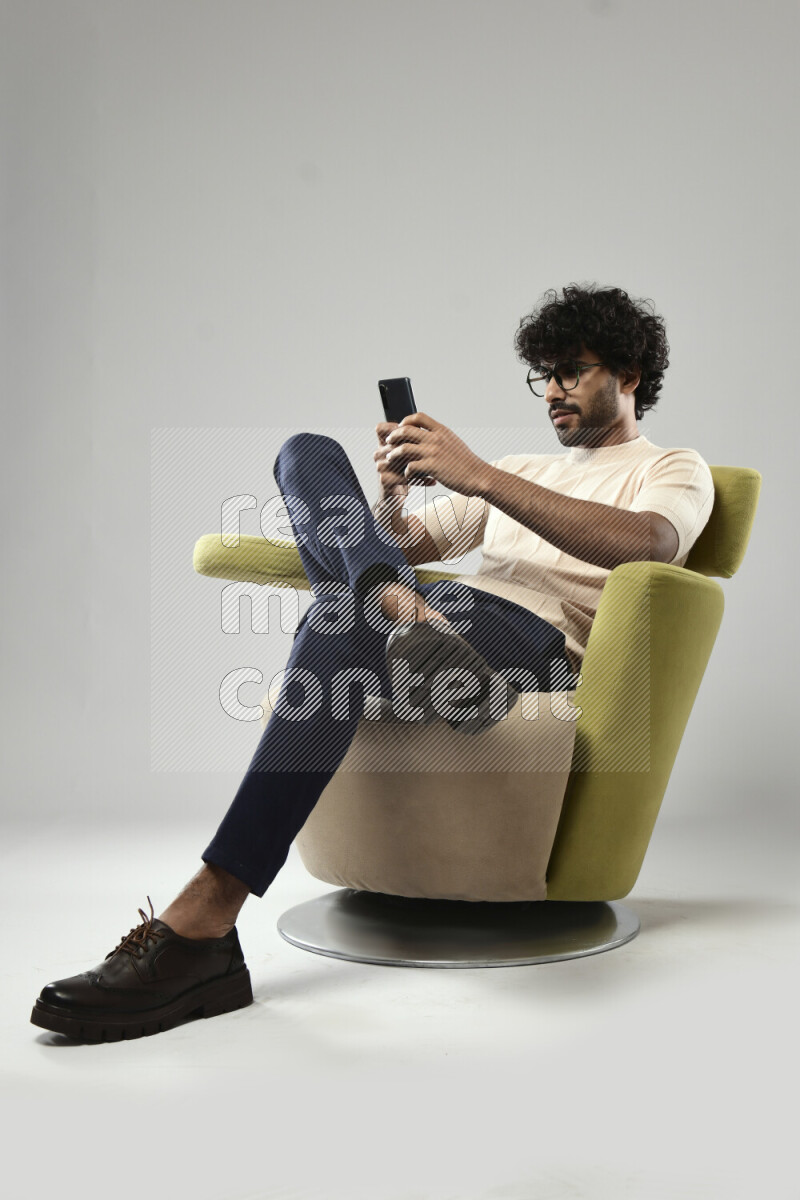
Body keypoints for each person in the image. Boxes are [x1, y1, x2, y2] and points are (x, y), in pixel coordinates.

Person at [30, 283, 715, 1042]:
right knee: (307, 457)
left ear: (628, 374)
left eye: (571, 372)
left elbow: (650, 543)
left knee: (345, 604)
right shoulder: (526, 465)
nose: (552, 391)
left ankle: (202, 924)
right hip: (439, 624)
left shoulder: (672, 467)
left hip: (534, 646)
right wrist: (389, 500)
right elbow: (406, 544)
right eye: (543, 375)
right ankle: (394, 607)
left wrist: (481, 476)